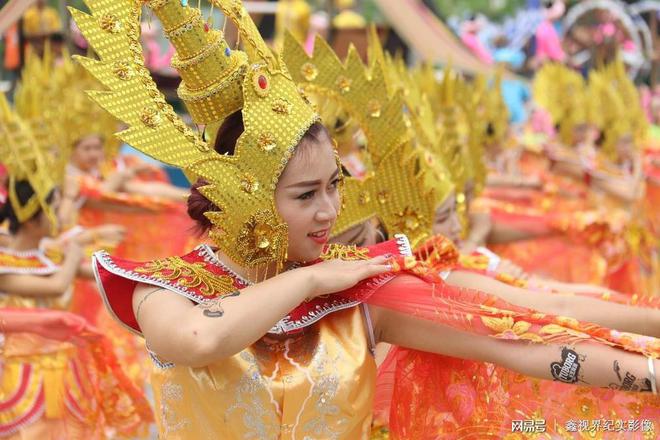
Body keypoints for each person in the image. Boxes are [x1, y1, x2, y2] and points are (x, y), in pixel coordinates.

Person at [73, 0, 659, 438]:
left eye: (333, 186)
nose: (331, 211)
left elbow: (517, 335)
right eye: (306, 195)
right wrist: (307, 280)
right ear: (240, 195)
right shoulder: (164, 291)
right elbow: (200, 340)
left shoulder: (362, 292)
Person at [0, 93, 152, 438]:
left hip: (61, 366)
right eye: (53, 206)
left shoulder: (47, 253)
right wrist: (75, 248)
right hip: (15, 373)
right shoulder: (6, 265)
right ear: (32, 216)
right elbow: (53, 286)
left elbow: (97, 274)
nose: (61, 213)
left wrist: (153, 276)